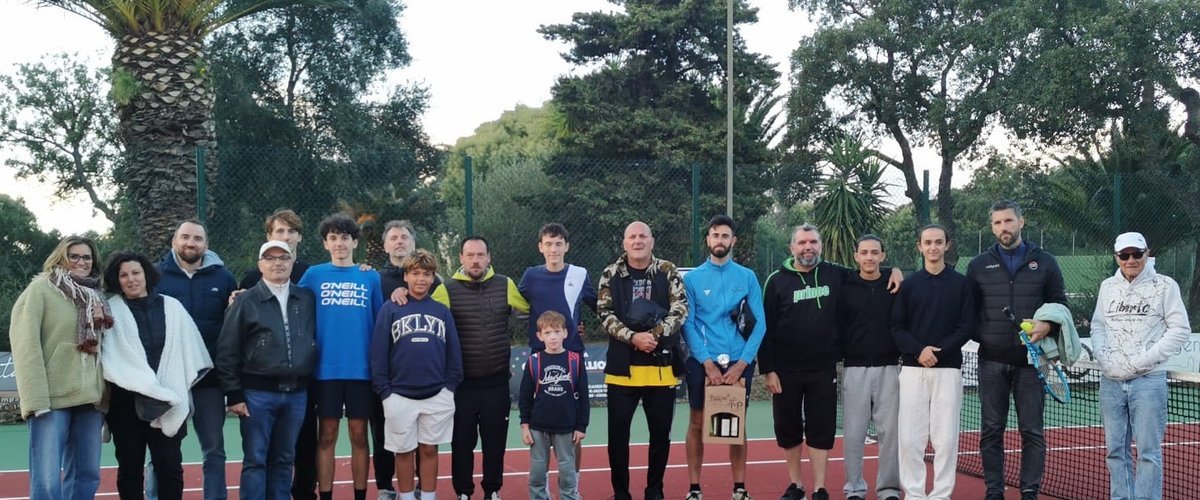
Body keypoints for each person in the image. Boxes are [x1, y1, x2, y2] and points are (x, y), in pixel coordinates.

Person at [761, 224, 901, 500]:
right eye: (802, 243)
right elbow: (766, 330)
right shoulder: (776, 281)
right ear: (792, 248)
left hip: (824, 369)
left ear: (820, 246)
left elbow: (869, 270)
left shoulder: (835, 274)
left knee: (820, 430)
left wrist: (895, 271)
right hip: (786, 371)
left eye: (813, 241)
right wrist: (768, 369)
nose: (807, 247)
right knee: (788, 429)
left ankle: (820, 488)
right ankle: (796, 485)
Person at [966, 200, 1067, 500]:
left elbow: (1060, 304)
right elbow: (970, 311)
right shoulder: (978, 265)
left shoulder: (1046, 262)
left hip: (1031, 364)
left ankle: (1029, 491)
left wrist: (1047, 327)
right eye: (997, 223)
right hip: (991, 361)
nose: (1003, 228)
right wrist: (985, 337)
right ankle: (994, 492)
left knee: (1032, 432)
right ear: (992, 227)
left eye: (1008, 221)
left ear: (1021, 223)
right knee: (991, 431)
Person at [101, 252, 212, 500]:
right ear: (116, 280)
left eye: (135, 273)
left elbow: (191, 350)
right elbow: (107, 357)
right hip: (125, 403)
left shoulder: (172, 307)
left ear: (146, 275)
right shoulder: (110, 312)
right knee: (130, 468)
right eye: (123, 275)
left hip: (167, 400)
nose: (131, 279)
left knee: (170, 467)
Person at [1090, 232, 1190, 500]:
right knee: (1114, 450)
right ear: (1117, 257)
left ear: (1147, 253)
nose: (1130, 260)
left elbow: (1180, 329)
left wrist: (1146, 359)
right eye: (1124, 255)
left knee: (1148, 452)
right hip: (1110, 381)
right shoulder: (1107, 287)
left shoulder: (1165, 286)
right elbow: (1098, 325)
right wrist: (1103, 355)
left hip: (1149, 381)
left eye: (1136, 254)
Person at [10, 235, 111, 500]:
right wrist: (36, 399)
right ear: (61, 258)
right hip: (51, 400)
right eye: (74, 256)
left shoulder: (98, 296)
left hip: (91, 400)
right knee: (47, 479)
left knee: (87, 475)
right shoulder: (40, 290)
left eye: (87, 257)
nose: (81, 261)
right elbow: (25, 345)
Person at [431, 236, 530, 500]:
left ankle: (492, 490)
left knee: (494, 443)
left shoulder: (505, 284)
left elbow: (532, 313)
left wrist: (568, 322)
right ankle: (463, 492)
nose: (476, 260)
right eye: (470, 255)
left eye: (480, 255)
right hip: (462, 385)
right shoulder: (445, 289)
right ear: (461, 258)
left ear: (489, 258)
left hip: (497, 382)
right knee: (462, 443)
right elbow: (428, 321)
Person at [217, 241, 319, 499]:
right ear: (260, 264)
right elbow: (227, 350)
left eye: (283, 257)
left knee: (285, 459)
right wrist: (235, 395)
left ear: (292, 262)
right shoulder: (245, 300)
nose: (278, 263)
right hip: (256, 395)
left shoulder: (306, 298)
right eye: (270, 258)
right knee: (256, 460)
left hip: (296, 394)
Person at [597, 221, 688, 500]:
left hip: (660, 370)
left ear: (652, 241)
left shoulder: (667, 270)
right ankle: (621, 493)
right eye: (632, 237)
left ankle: (654, 491)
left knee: (660, 436)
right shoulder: (610, 273)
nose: (637, 241)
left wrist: (654, 334)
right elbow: (604, 313)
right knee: (618, 438)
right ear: (624, 243)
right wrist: (633, 337)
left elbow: (681, 308)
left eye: (643, 236)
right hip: (621, 371)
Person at [298, 213, 384, 500]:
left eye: (345, 237)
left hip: (361, 371)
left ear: (355, 241)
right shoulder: (313, 275)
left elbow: (378, 321)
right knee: (327, 435)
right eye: (333, 238)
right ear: (325, 243)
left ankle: (360, 495)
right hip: (325, 371)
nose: (339, 243)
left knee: (359, 435)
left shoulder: (369, 275)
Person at [680, 215, 765, 500]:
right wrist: (707, 362)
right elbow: (688, 324)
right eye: (715, 235)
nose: (720, 240)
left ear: (733, 241)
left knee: (737, 422)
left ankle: (739, 488)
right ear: (708, 239)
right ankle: (694, 488)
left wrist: (743, 364)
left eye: (725, 236)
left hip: (739, 363)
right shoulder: (692, 279)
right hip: (703, 363)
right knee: (697, 421)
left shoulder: (748, 277)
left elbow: (760, 324)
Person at [890, 225, 975, 500]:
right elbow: (896, 327)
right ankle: (914, 494)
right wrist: (919, 351)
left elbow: (966, 327)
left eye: (938, 242)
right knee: (909, 439)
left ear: (947, 245)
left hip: (948, 370)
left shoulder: (962, 284)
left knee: (946, 438)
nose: (933, 247)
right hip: (913, 371)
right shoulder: (909, 285)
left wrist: (938, 352)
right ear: (920, 246)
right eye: (928, 242)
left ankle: (941, 494)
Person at [156, 219, 238, 500]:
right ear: (174, 242)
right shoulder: (155, 276)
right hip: (168, 378)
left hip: (209, 377)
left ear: (206, 244)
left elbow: (233, 324)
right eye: (185, 237)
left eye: (198, 239)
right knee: (162, 449)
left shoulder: (224, 278)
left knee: (214, 449)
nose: (191, 243)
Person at [371, 249, 462, 500]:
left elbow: (454, 352)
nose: (421, 279)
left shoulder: (442, 311)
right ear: (406, 277)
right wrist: (385, 392)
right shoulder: (391, 309)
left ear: (433, 278)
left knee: (429, 449)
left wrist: (450, 387)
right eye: (415, 273)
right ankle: (408, 496)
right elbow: (378, 352)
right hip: (398, 394)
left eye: (427, 274)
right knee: (403, 451)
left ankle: (429, 496)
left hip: (436, 394)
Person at [517, 222, 597, 474]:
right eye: (549, 244)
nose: (554, 249)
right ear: (541, 247)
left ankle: (573, 486)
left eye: (559, 243)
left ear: (567, 246)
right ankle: (540, 486)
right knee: (539, 425)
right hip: (539, 358)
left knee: (572, 427)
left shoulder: (580, 274)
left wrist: (576, 326)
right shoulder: (530, 276)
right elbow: (517, 305)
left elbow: (600, 307)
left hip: (571, 354)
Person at [375, 219, 441, 499]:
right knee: (386, 436)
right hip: (391, 376)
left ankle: (420, 488)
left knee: (425, 442)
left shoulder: (434, 282)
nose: (399, 241)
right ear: (385, 244)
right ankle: (386, 487)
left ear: (413, 243)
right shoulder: (373, 277)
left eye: (404, 237)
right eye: (394, 237)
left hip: (425, 377)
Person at [837, 235, 901, 500]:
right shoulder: (845, 284)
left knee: (890, 434)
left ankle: (888, 489)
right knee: (854, 433)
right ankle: (854, 488)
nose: (869, 257)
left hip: (889, 368)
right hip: (854, 369)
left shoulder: (893, 283)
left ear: (883, 256)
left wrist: (896, 271)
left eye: (875, 252)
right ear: (856, 256)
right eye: (864, 252)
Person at [519, 311, 590, 500]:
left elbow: (583, 396)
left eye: (557, 332)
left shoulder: (575, 361)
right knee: (537, 474)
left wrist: (581, 426)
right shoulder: (534, 362)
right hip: (538, 427)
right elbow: (525, 398)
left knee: (567, 474)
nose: (553, 337)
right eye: (548, 332)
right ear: (539, 336)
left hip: (566, 427)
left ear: (565, 333)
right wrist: (525, 426)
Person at [238, 209, 311, 288]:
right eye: (280, 231)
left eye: (291, 231)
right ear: (269, 237)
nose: (286, 237)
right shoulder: (252, 279)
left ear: (299, 237)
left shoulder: (310, 275)